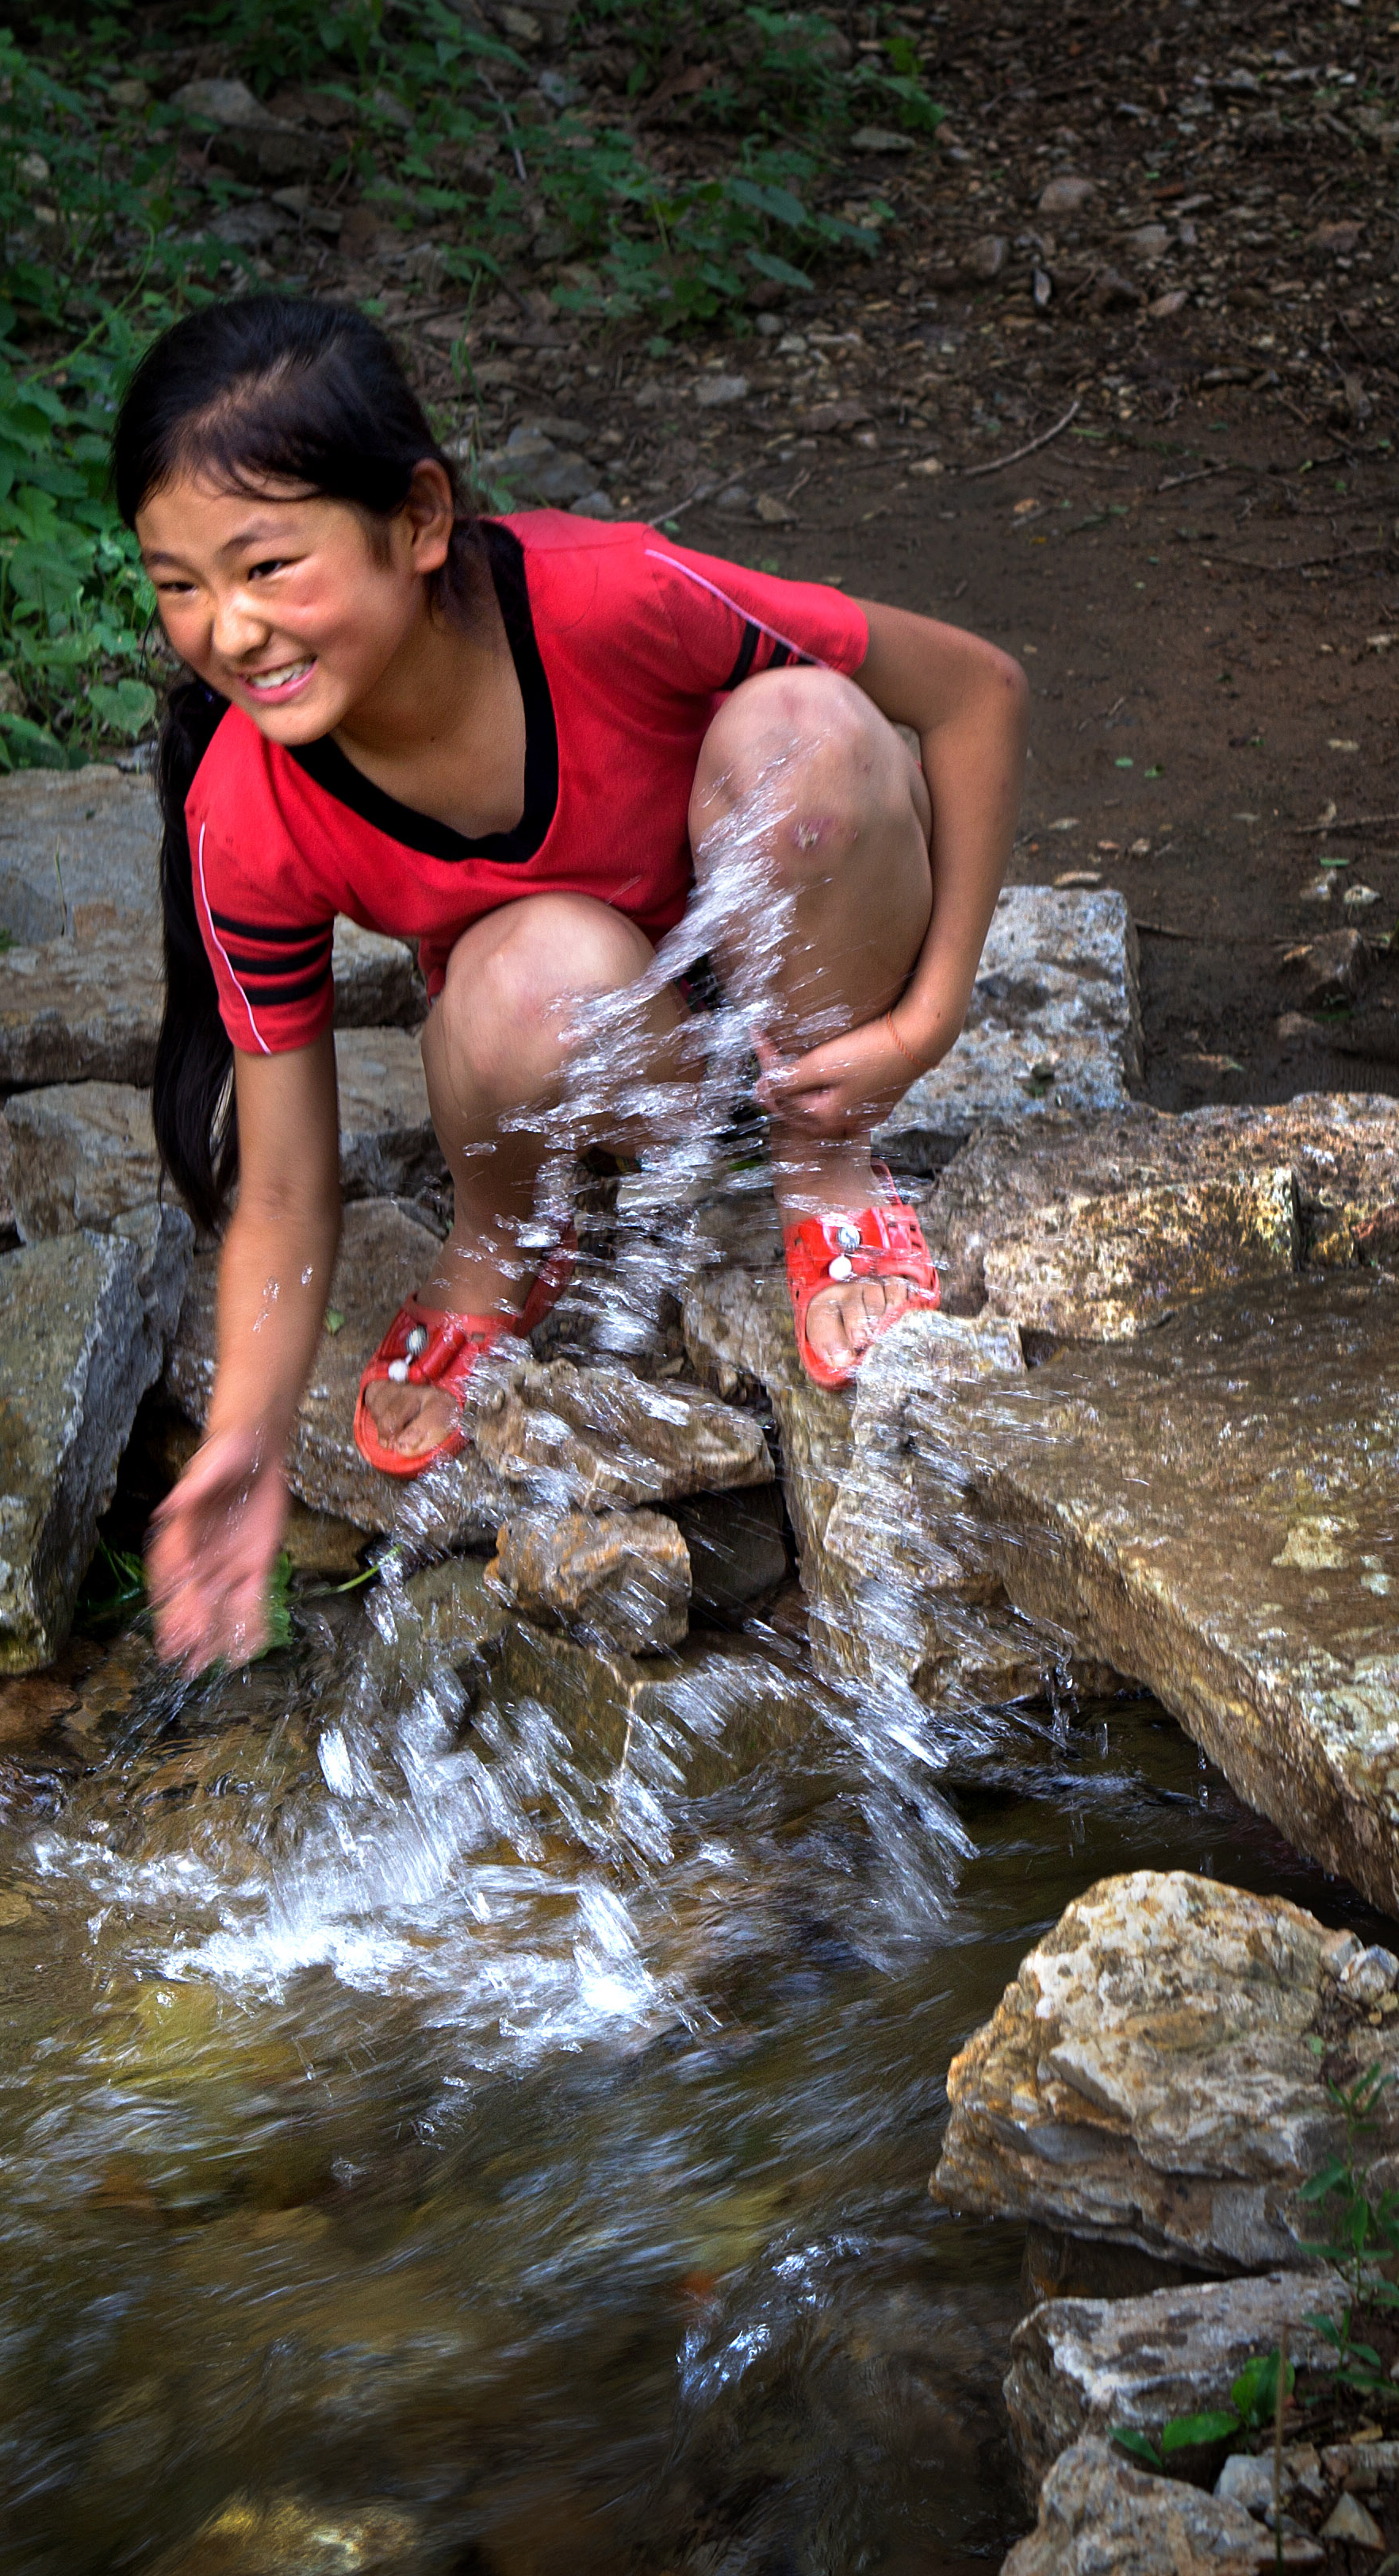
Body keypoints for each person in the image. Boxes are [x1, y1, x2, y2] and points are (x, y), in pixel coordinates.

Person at [122, 297, 1029, 1673]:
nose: (228, 631)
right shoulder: (245, 810)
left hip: (806, 995)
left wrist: (929, 1015)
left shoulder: (613, 597)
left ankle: (827, 1167)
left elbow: (976, 691)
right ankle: (507, 1245)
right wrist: (245, 1439)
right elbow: (290, 1184)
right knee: (518, 978)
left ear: (419, 521)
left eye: (266, 568)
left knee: (809, 733)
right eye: (178, 585)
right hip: (598, 1059)